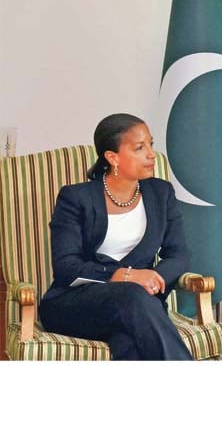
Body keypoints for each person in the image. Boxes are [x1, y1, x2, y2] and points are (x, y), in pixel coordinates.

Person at [38, 113, 193, 360]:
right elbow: (66, 266)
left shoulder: (161, 193)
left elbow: (179, 254)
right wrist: (125, 276)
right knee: (132, 297)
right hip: (75, 304)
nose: (151, 154)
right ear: (112, 157)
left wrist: (153, 280)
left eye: (151, 145)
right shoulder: (76, 198)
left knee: (129, 340)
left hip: (139, 306)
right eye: (139, 148)